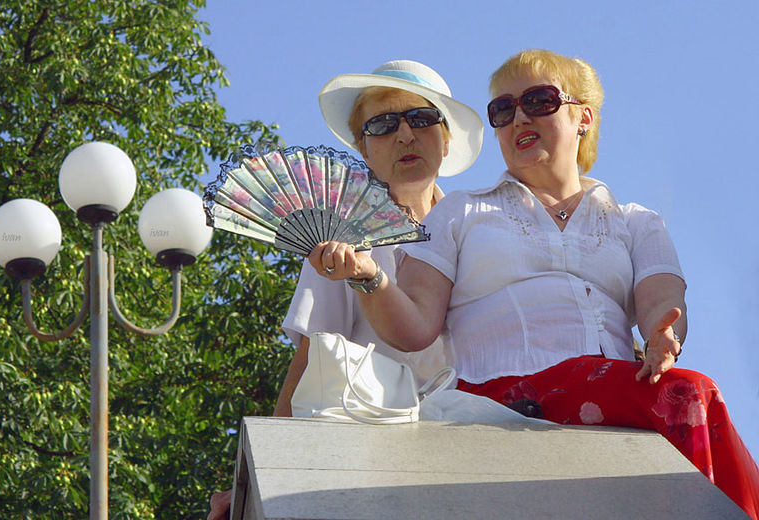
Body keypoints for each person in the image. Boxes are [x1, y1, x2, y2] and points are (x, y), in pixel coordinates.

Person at [308, 49, 759, 519]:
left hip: (616, 393)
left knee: (693, 404)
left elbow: (661, 300)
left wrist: (664, 335)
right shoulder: (460, 211)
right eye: (503, 110)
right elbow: (415, 327)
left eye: (539, 100)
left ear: (583, 117)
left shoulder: (636, 222)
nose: (519, 117)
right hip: (504, 396)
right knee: (689, 395)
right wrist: (370, 277)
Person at [207, 59, 483, 520]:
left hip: (472, 449)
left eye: (421, 118)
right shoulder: (342, 239)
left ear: (446, 137)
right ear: (363, 148)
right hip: (372, 454)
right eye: (383, 124)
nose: (405, 135)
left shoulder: (481, 228)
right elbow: (311, 359)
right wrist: (258, 478)